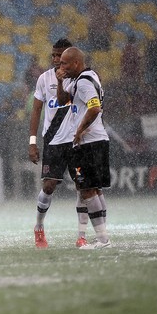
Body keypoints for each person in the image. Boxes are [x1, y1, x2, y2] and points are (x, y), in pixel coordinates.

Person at [28, 38, 91, 248]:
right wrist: (32, 141)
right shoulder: (44, 79)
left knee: (83, 188)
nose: (56, 59)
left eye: (60, 56)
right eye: (54, 55)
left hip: (76, 142)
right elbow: (36, 110)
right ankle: (38, 227)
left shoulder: (81, 80)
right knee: (48, 186)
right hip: (53, 142)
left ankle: (82, 236)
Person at [57, 47, 111, 250]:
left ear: (76, 63)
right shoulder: (86, 78)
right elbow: (63, 100)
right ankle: (103, 237)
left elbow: (95, 107)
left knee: (87, 190)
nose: (61, 67)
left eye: (65, 64)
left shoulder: (84, 82)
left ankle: (103, 240)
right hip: (97, 140)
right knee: (94, 189)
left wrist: (79, 130)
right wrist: (61, 80)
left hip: (89, 143)